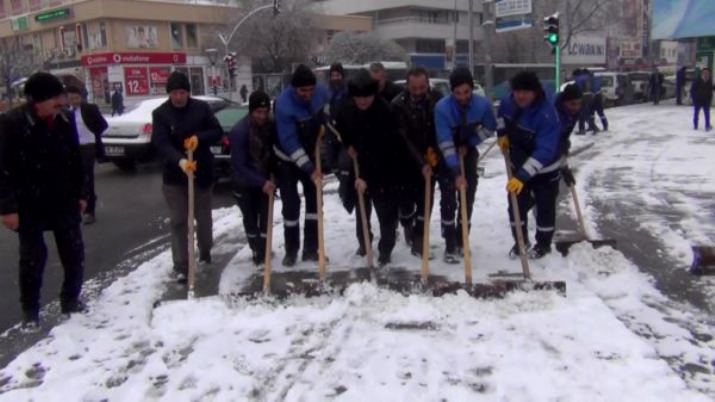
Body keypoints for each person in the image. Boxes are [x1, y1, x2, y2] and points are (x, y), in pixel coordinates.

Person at [0, 72, 89, 330]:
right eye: (55, 98)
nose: (61, 102)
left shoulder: (64, 119)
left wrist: (82, 193)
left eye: (61, 96)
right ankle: (31, 311)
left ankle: (70, 300)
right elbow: (2, 169)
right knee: (33, 258)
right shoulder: (12, 123)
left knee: (73, 252)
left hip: (63, 199)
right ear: (37, 101)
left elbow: (76, 160)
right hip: (29, 202)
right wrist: (7, 208)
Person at [152, 71, 223, 283]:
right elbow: (161, 143)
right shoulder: (161, 114)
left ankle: (205, 251)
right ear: (169, 94)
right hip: (174, 177)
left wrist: (198, 138)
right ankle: (181, 265)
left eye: (182, 92)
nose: (179, 97)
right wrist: (181, 161)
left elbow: (216, 131)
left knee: (203, 219)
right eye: (174, 93)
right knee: (179, 220)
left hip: (201, 174)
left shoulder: (201, 109)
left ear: (188, 93)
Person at [337, 69, 405, 265]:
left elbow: (385, 150)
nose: (363, 101)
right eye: (359, 98)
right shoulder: (347, 109)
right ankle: (364, 243)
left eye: (367, 97)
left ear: (374, 94)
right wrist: (348, 145)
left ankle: (386, 249)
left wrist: (366, 178)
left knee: (386, 212)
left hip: (385, 167)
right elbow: (341, 128)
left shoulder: (385, 112)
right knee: (361, 208)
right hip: (359, 162)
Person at [435, 67, 497, 262]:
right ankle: (450, 243)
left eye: (466, 92)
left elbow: (490, 127)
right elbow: (445, 142)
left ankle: (463, 240)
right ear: (452, 92)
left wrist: (470, 143)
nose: (462, 97)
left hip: (468, 152)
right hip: (447, 156)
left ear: (472, 89)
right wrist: (455, 172)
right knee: (448, 199)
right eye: (458, 93)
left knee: (467, 197)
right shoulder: (442, 108)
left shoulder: (482, 105)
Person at [497, 71, 561, 259]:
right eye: (517, 91)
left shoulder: (547, 114)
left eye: (526, 92)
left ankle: (543, 244)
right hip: (518, 162)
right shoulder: (508, 102)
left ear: (535, 92)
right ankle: (520, 242)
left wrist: (522, 176)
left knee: (545, 206)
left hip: (545, 168)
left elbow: (544, 152)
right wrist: (502, 134)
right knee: (515, 205)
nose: (521, 96)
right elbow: (501, 117)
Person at [274, 64, 330, 266]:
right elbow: (290, 142)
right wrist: (310, 169)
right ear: (294, 88)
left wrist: (327, 119)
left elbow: (332, 101)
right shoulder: (283, 105)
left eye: (310, 90)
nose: (308, 94)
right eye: (303, 91)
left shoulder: (320, 92)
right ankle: (291, 250)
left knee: (315, 204)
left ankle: (311, 249)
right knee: (291, 206)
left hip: (311, 153)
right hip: (287, 159)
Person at [392, 67, 446, 258]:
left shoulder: (438, 100)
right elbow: (403, 138)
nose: (418, 92)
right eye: (414, 88)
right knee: (406, 204)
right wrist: (420, 161)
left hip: (430, 156)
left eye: (422, 87)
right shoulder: (398, 104)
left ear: (427, 83)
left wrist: (434, 151)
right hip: (406, 159)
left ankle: (419, 240)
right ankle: (407, 222)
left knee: (426, 199)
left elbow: (442, 128)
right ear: (407, 86)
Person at [230, 90, 276, 265]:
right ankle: (257, 250)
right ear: (251, 111)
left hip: (264, 181)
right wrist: (261, 182)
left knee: (265, 218)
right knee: (251, 220)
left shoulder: (270, 126)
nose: (262, 116)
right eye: (258, 112)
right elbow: (239, 165)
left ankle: (264, 249)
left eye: (265, 112)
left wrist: (272, 177)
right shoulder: (240, 131)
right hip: (244, 182)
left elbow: (272, 153)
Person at [66, 85, 108, 225]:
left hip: (88, 146)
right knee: (74, 178)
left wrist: (94, 134)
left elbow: (102, 125)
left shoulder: (90, 109)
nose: (74, 101)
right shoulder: (66, 111)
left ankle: (90, 211)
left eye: (76, 98)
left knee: (86, 178)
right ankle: (79, 205)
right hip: (74, 148)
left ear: (81, 97)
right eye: (71, 98)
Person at [554, 84, 584, 188]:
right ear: (564, 102)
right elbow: (554, 141)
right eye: (572, 104)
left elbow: (563, 137)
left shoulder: (573, 113)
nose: (576, 107)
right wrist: (563, 167)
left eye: (579, 103)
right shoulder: (553, 112)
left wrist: (563, 166)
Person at [574, 69, 596, 134]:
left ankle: (582, 130)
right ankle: (593, 127)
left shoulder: (578, 79)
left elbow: (578, 88)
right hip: (589, 97)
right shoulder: (589, 78)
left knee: (581, 114)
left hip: (582, 96)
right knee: (586, 113)